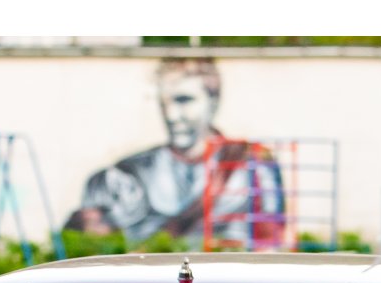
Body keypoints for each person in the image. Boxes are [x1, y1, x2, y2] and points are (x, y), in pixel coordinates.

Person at [66, 59, 284, 247]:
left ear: (213, 102)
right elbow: (92, 250)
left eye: (184, 100)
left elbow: (271, 246)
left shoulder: (253, 168)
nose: (171, 116)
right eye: (164, 104)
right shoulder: (123, 177)